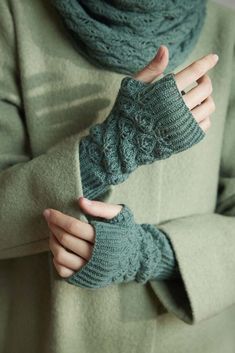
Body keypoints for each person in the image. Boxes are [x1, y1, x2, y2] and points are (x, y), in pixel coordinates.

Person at [0, 0, 234, 352]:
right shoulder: (12, 14)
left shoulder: (228, 30)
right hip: (47, 336)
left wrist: (151, 255)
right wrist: (114, 147)